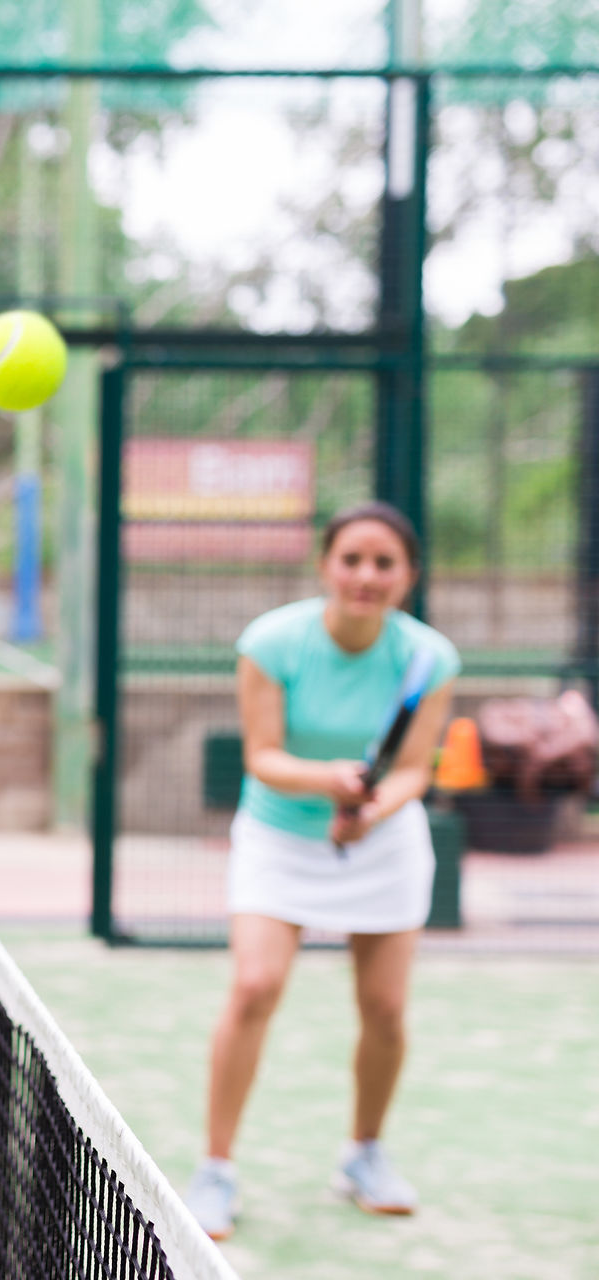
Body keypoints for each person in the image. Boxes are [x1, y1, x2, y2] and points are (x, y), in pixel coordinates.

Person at [182, 502, 458, 1242]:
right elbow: (262, 757)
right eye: (352, 559)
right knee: (254, 987)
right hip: (278, 836)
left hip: (383, 844)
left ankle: (364, 1155)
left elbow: (412, 770)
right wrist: (330, 781)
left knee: (386, 1008)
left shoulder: (428, 658)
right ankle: (215, 1169)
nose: (366, 575)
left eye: (384, 563)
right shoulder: (273, 642)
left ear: (408, 576)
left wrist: (370, 809)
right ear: (325, 566)